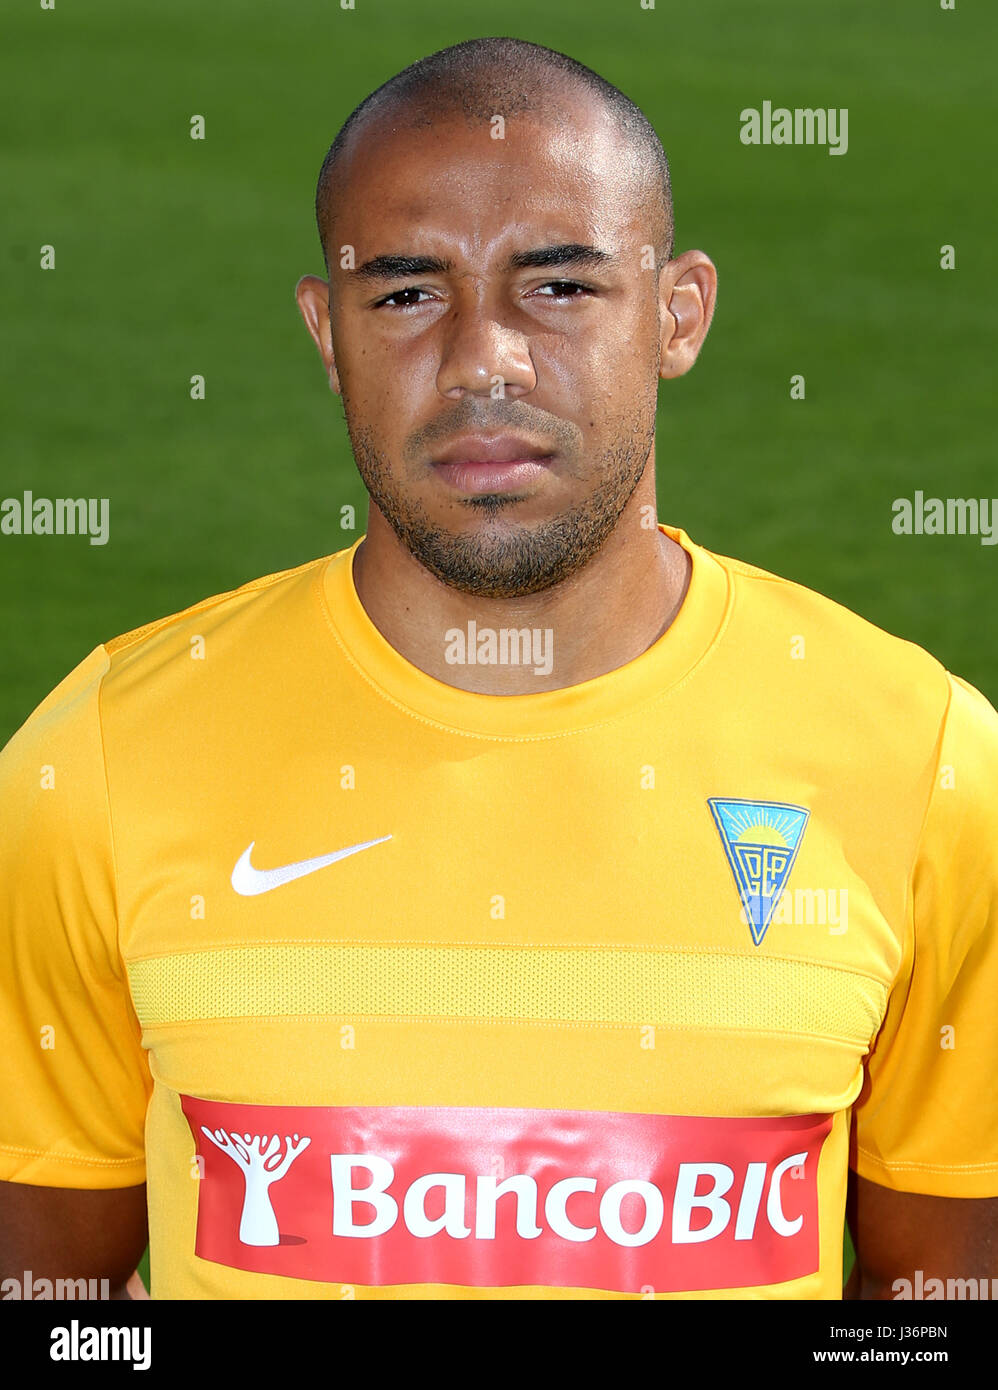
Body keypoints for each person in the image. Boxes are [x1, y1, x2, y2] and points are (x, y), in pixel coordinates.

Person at [1, 35, 996, 1302]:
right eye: (407, 293)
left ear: (677, 313)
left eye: (560, 288)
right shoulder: (94, 761)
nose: (484, 360)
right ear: (326, 328)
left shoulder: (926, 766)